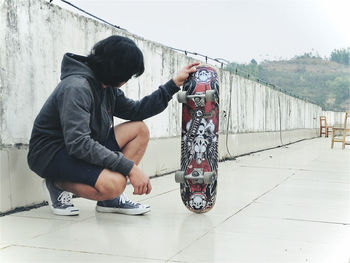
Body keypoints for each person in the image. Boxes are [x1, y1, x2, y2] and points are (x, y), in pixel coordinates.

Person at [27, 35, 199, 216]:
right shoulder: (77, 87)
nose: (128, 79)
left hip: (79, 147)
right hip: (51, 154)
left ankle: (109, 200)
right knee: (115, 184)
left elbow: (137, 111)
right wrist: (129, 168)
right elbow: (78, 143)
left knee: (139, 129)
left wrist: (173, 85)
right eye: (129, 74)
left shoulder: (106, 87)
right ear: (116, 70)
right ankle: (56, 183)